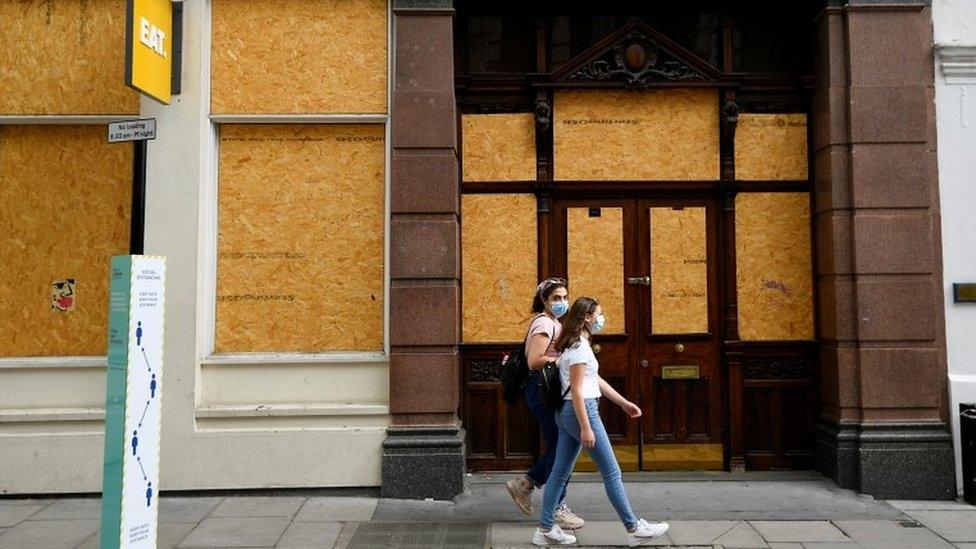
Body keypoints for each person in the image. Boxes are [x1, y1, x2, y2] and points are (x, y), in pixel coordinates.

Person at [532, 296, 669, 547]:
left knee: (559, 473)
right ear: (586, 317)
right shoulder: (580, 347)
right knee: (612, 471)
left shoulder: (575, 344)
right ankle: (633, 527)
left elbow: (594, 381)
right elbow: (577, 391)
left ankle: (545, 529)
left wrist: (623, 403)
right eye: (598, 315)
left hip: (567, 412)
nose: (601, 319)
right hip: (581, 411)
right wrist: (585, 427)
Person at [506, 278, 584, 530]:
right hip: (541, 391)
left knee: (561, 445)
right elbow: (534, 361)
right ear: (544, 300)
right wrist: (563, 357)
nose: (562, 302)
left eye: (564, 297)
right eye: (556, 298)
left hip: (548, 391)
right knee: (563, 446)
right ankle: (556, 506)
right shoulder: (543, 323)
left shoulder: (554, 322)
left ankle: (527, 484)